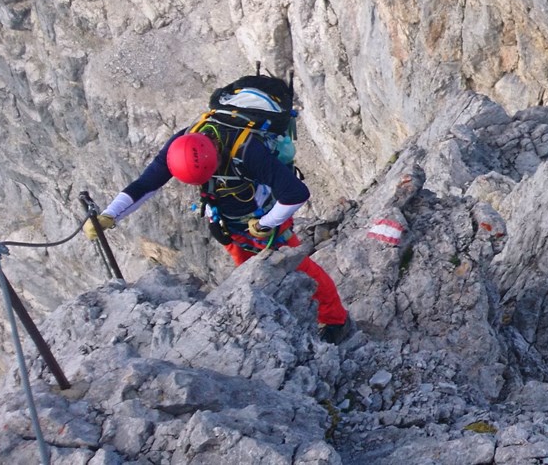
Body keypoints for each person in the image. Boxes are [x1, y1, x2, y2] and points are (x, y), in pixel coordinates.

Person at [88, 75, 351, 343]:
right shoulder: (182, 143)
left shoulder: (247, 151)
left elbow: (295, 194)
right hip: (226, 221)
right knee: (249, 273)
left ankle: (336, 320)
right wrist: (109, 215)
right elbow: (146, 184)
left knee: (300, 268)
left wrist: (265, 224)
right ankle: (274, 310)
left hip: (266, 220)